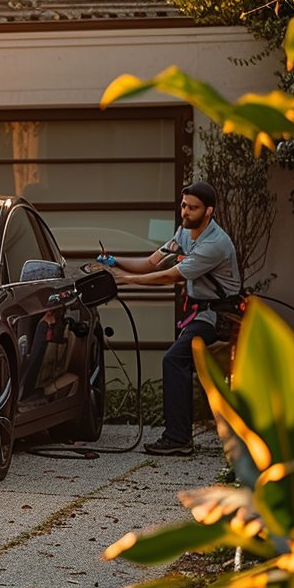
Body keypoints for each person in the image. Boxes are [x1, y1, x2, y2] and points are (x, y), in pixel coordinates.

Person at [97, 182, 240, 456]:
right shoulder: (184, 233)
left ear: (208, 211)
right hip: (199, 313)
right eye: (184, 205)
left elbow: (168, 276)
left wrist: (126, 280)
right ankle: (181, 435)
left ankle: (178, 439)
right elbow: (152, 263)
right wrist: (115, 262)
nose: (185, 212)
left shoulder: (215, 244)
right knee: (181, 361)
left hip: (218, 316)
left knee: (175, 360)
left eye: (193, 207)